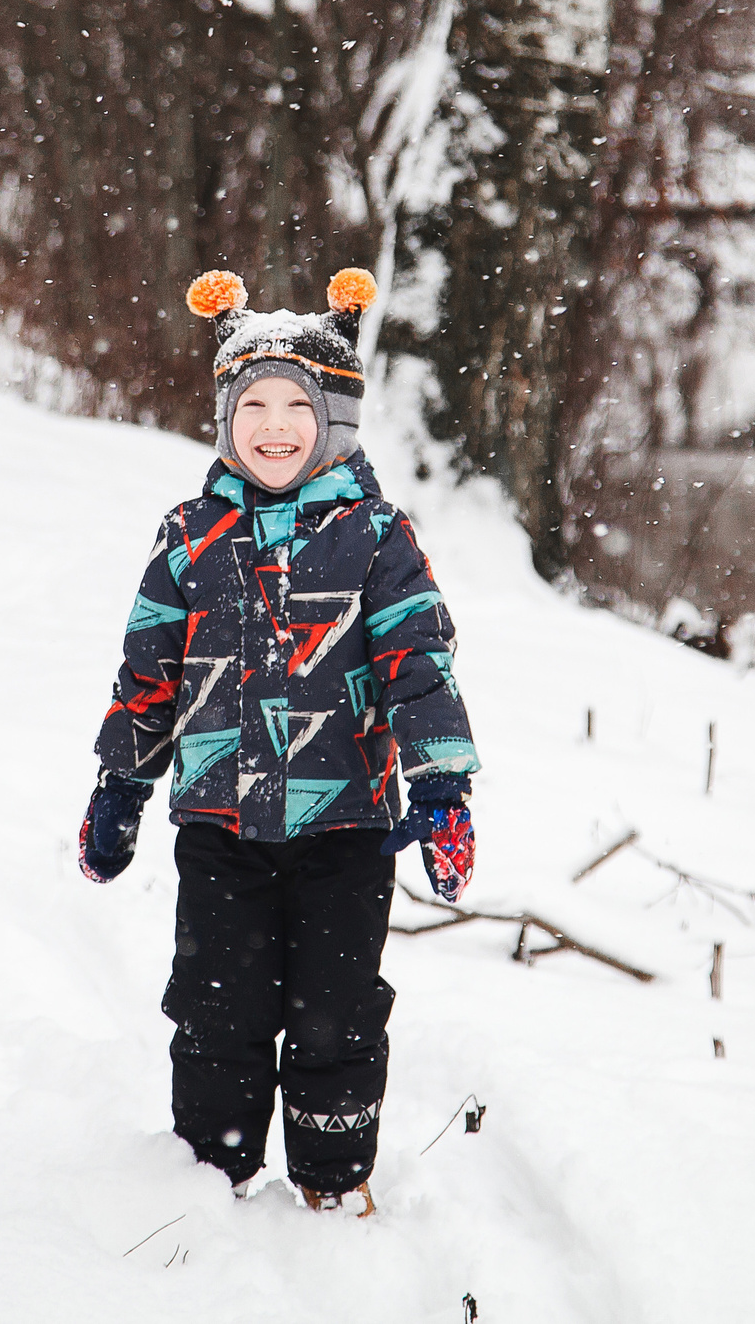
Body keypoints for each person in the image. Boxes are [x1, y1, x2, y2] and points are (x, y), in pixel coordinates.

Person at [78, 265, 479, 1217]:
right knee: (219, 1010)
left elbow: (420, 661)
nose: (272, 424)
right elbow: (150, 674)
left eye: (296, 404)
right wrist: (121, 786)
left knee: (335, 1016)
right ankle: (207, 1178)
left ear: (334, 416)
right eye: (250, 402)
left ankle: (334, 1186)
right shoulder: (189, 536)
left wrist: (443, 788)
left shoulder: (378, 537)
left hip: (347, 830)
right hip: (220, 827)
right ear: (224, 417)